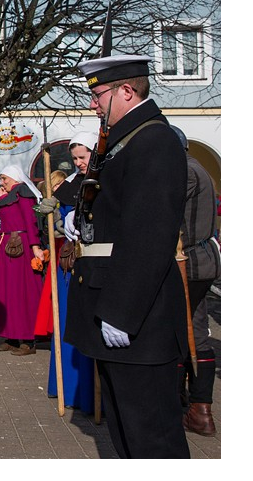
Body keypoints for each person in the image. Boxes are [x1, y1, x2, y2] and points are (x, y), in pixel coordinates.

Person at [64, 54, 189, 458]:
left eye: (97, 94)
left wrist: (121, 311)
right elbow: (116, 212)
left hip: (135, 316)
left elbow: (149, 235)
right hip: (110, 299)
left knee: (152, 438)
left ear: (127, 91)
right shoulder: (121, 142)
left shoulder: (153, 140)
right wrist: (81, 221)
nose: (92, 103)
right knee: (126, 433)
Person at [37, 133, 97, 413]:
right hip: (69, 262)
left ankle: (92, 395)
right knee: (66, 321)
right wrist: (50, 214)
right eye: (74, 158)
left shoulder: (103, 179)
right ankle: (67, 389)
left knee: (90, 323)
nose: (78, 162)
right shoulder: (70, 184)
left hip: (94, 261)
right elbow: (55, 227)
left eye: (83, 157)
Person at [171, 125, 220, 437]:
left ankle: (182, 405)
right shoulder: (195, 168)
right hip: (198, 261)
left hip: (188, 262)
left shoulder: (185, 173)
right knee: (195, 330)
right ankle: (199, 412)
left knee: (177, 333)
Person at [0, 164, 45, 355]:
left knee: (22, 293)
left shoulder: (23, 193)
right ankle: (11, 336)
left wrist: (35, 247)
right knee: (6, 293)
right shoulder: (7, 196)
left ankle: (27, 339)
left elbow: (30, 222)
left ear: (15, 177)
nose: (2, 182)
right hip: (5, 248)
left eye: (5, 178)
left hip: (21, 248)